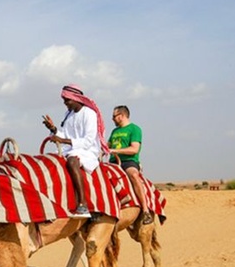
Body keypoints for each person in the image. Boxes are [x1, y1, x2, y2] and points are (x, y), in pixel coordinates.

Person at [42, 84, 105, 218]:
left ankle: (83, 204)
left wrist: (63, 141)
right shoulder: (68, 115)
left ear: (76, 98)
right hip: (70, 149)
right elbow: (65, 135)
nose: (65, 103)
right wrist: (53, 129)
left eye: (67, 100)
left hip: (87, 151)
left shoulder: (89, 114)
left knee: (72, 161)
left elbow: (88, 140)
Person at [108, 105, 153, 224]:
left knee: (133, 175)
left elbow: (134, 149)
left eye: (114, 116)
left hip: (128, 161)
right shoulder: (114, 131)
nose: (112, 119)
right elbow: (107, 145)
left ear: (122, 116)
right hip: (112, 163)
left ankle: (145, 210)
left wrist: (114, 151)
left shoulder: (134, 129)